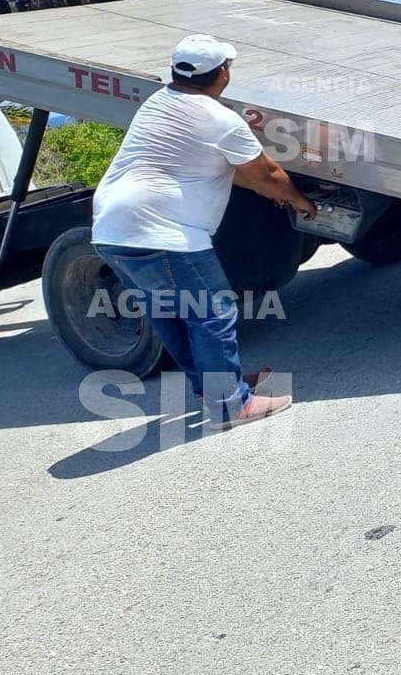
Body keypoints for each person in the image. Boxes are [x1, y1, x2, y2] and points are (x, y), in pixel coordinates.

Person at [92, 34, 317, 429]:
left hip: (111, 229)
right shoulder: (219, 119)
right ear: (223, 73)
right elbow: (265, 175)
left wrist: (268, 187)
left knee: (170, 313)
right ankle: (230, 404)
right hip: (161, 232)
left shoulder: (158, 103)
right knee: (213, 314)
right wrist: (302, 201)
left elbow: (229, 170)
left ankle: (212, 388)